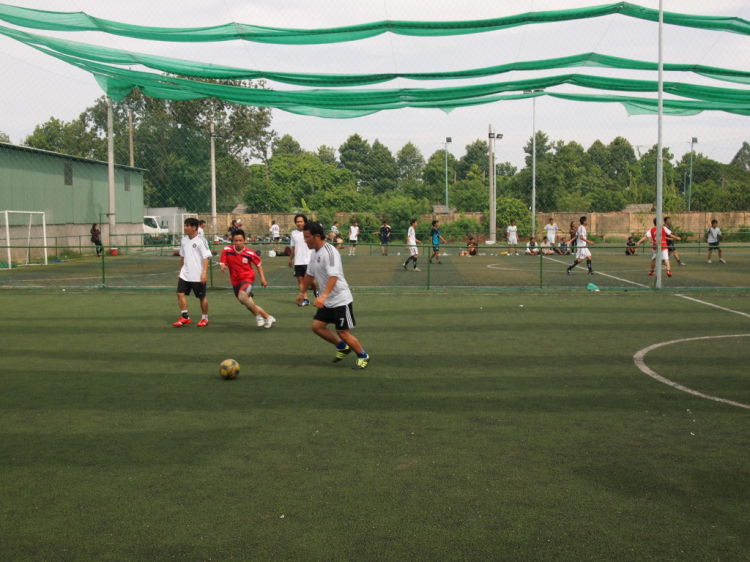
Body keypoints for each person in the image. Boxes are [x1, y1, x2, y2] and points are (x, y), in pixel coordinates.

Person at [296, 221, 370, 370]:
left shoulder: (330, 252)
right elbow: (309, 274)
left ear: (317, 236)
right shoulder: (314, 253)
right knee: (317, 327)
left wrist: (322, 296)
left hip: (340, 299)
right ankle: (343, 347)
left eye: (307, 237)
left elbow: (333, 276)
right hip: (328, 299)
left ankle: (363, 355)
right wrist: (302, 292)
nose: (305, 240)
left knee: (343, 332)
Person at [219, 229, 275, 328]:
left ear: (245, 240)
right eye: (236, 240)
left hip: (248, 278)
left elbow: (258, 264)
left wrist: (263, 278)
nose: (238, 243)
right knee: (248, 303)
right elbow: (222, 261)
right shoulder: (227, 249)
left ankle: (258, 317)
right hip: (235, 281)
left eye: (240, 240)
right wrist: (222, 265)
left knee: (242, 297)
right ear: (232, 241)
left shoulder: (250, 253)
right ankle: (268, 317)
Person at [173, 217, 212, 327]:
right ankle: (185, 317)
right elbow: (182, 256)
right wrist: (180, 271)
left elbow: (206, 257)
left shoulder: (201, 240)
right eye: (185, 225)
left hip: (197, 275)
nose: (185, 228)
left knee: (201, 296)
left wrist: (204, 273)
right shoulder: (184, 240)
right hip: (185, 274)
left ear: (194, 227)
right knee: (179, 293)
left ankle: (205, 318)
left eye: (187, 226)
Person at [289, 213, 319, 306]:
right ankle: (306, 299)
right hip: (298, 260)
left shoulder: (309, 232)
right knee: (300, 279)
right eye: (297, 222)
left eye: (301, 221)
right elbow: (293, 247)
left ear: (305, 222)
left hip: (309, 260)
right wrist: (290, 259)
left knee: (311, 280)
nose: (299, 223)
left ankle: (316, 291)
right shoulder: (294, 233)